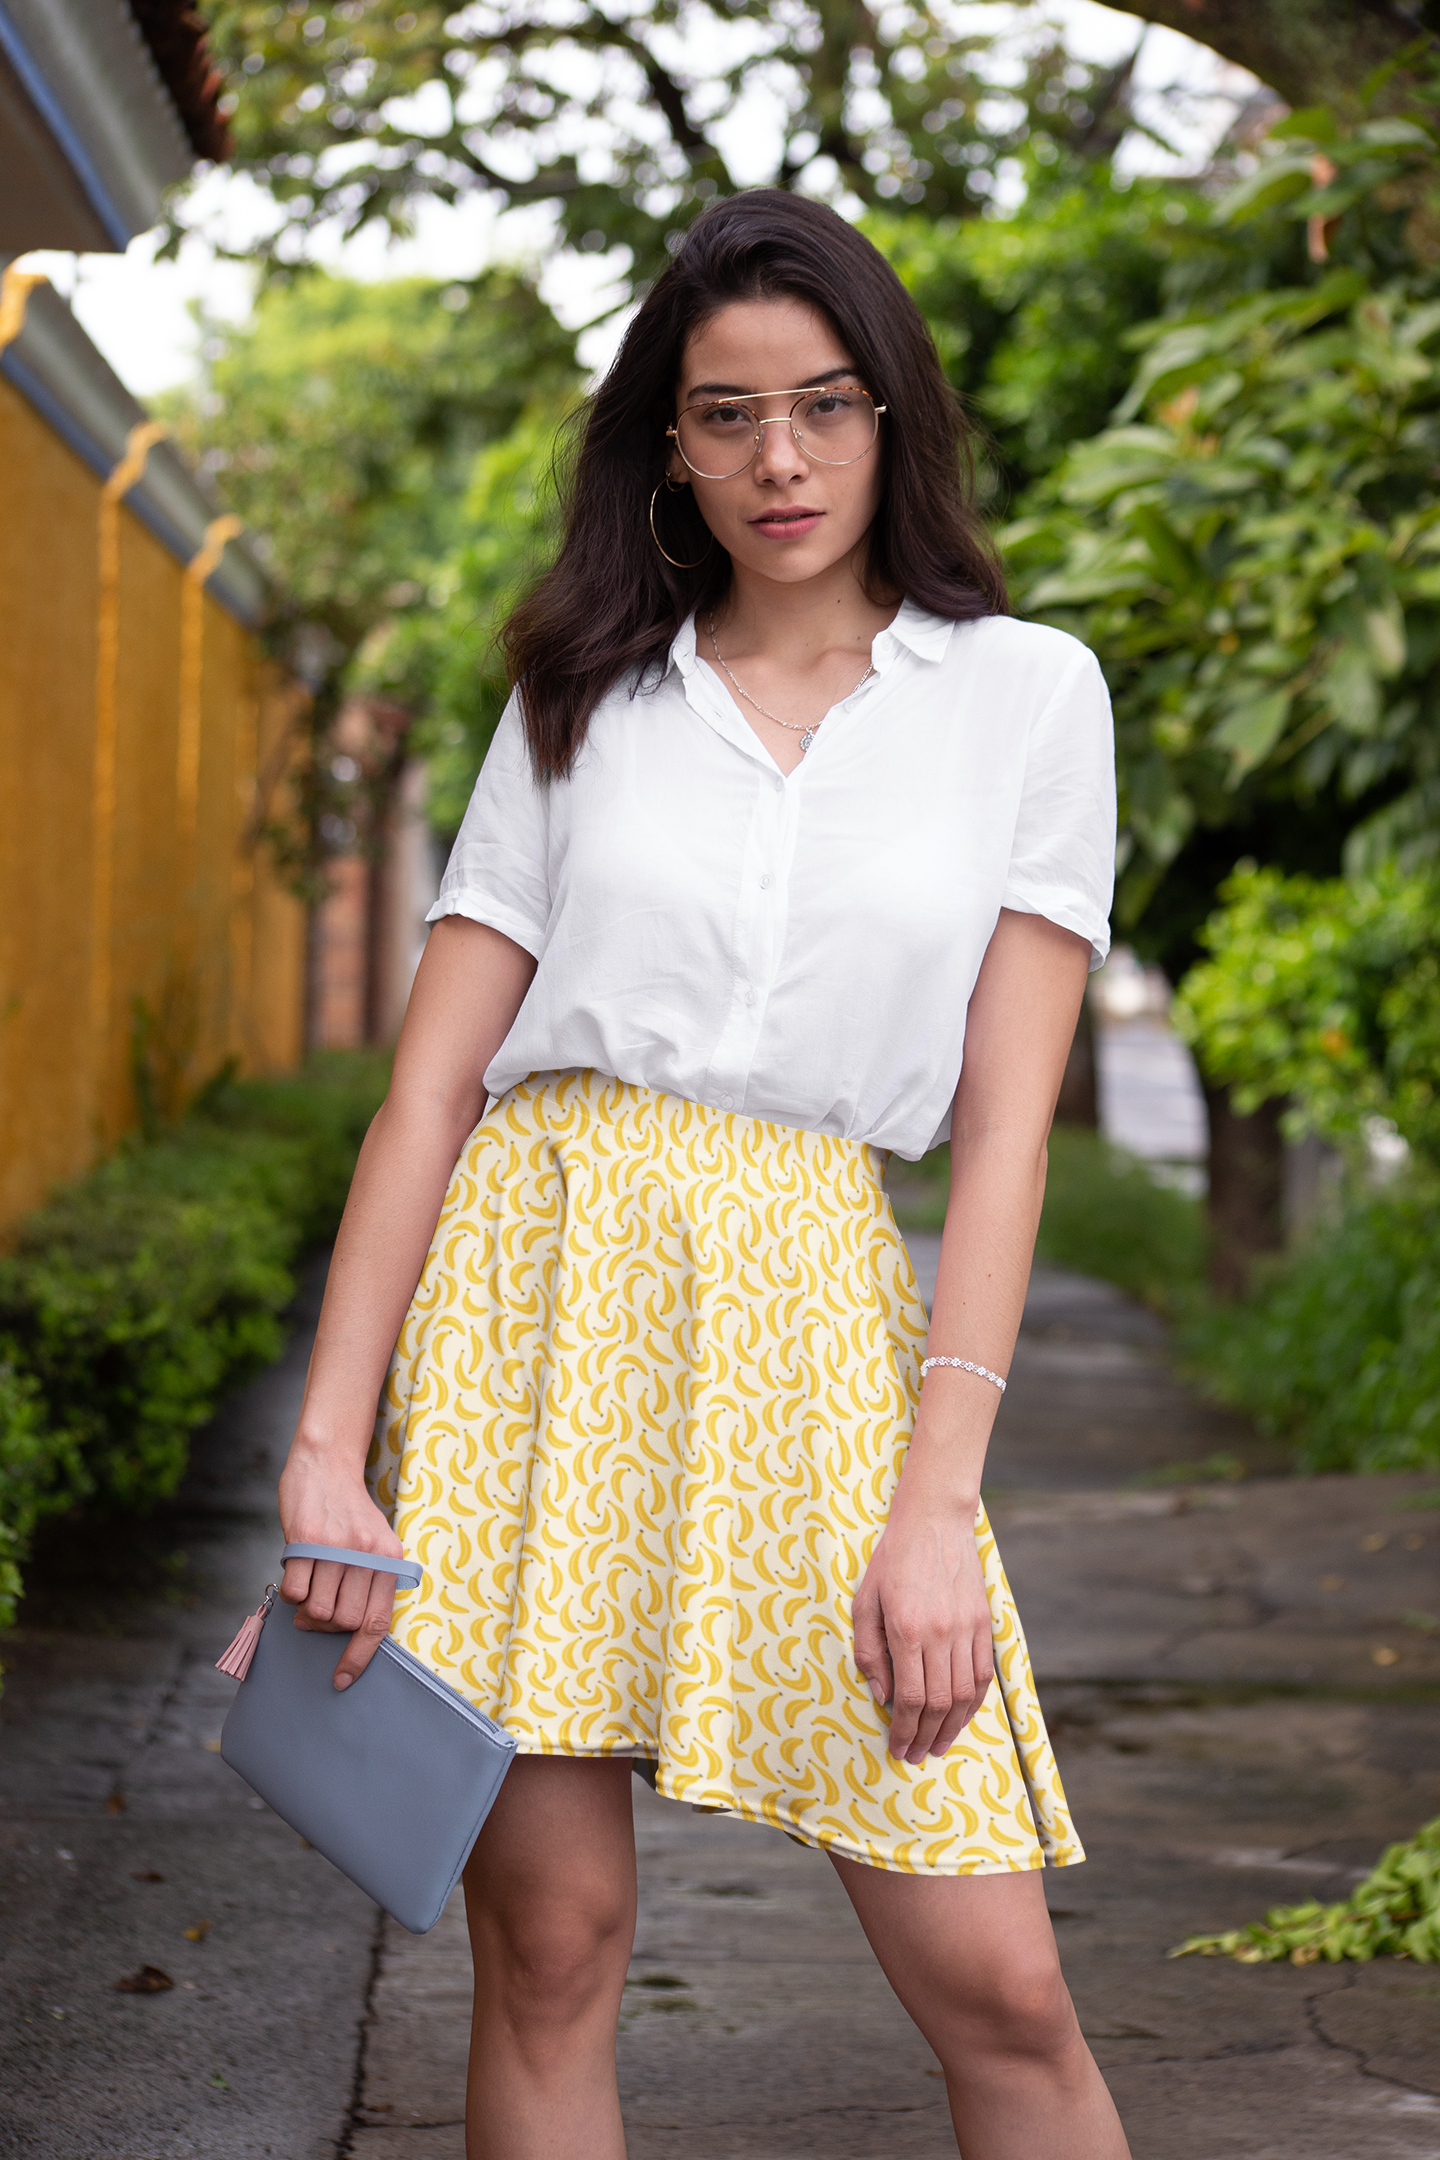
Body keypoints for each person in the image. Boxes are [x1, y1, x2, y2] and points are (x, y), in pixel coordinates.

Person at [276, 188, 1130, 2160]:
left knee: (1000, 1983)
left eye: (825, 406)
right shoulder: (586, 691)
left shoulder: (1023, 698)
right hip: (533, 1300)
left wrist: (940, 1506)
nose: (782, 458)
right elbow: (429, 1096)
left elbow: (1006, 1134)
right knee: (557, 1944)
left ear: (893, 414)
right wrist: (329, 1449)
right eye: (728, 413)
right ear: (667, 436)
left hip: (822, 1315)